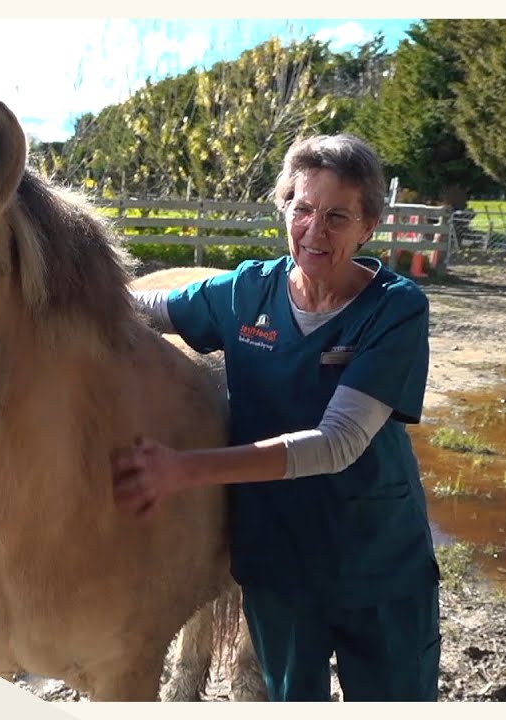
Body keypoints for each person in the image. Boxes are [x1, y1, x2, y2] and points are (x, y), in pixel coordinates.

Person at [113, 133, 440, 702]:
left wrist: (183, 470)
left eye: (338, 215)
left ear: (368, 227)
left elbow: (337, 443)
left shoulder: (395, 309)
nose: (315, 230)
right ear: (284, 206)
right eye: (303, 208)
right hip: (279, 562)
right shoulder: (246, 292)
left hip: (376, 560)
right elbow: (144, 309)